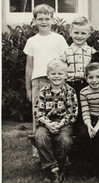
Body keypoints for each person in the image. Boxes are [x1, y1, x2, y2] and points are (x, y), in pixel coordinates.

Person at [24, 4, 69, 157]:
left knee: (59, 113)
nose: (44, 22)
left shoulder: (59, 38)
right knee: (39, 115)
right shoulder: (31, 41)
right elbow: (29, 66)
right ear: (34, 21)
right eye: (40, 19)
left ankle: (59, 148)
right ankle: (39, 151)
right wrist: (29, 89)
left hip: (57, 80)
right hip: (38, 80)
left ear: (53, 20)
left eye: (47, 18)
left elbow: (65, 60)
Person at [33, 59, 77, 183]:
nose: (56, 76)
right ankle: (53, 167)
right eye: (53, 74)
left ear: (65, 75)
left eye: (60, 74)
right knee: (40, 137)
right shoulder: (42, 92)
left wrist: (61, 123)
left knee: (64, 139)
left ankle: (60, 166)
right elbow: (38, 113)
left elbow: (73, 113)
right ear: (48, 75)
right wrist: (48, 123)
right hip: (46, 122)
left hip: (64, 122)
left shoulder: (70, 91)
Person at [61, 16, 96, 95]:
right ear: (70, 32)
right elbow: (61, 71)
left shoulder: (92, 52)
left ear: (89, 34)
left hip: (88, 86)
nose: (79, 36)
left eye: (83, 33)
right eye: (76, 32)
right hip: (70, 86)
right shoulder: (65, 53)